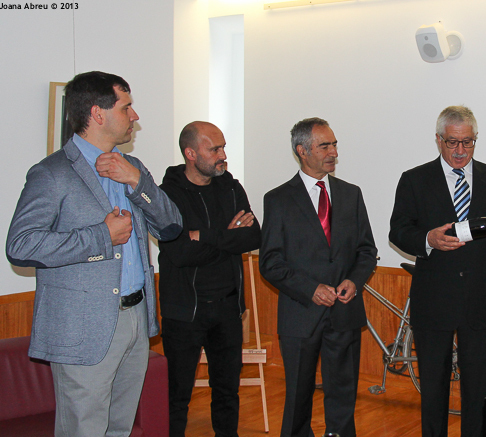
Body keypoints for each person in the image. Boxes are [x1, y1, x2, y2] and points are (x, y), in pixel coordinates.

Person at [5, 71, 182, 436]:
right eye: (126, 107)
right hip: (83, 326)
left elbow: (171, 226)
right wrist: (101, 236)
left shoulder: (133, 168)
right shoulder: (52, 173)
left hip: (136, 318)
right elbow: (21, 244)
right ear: (98, 113)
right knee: (83, 430)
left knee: (120, 428)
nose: (135, 116)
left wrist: (137, 182)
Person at [389, 105, 486, 437]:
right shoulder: (414, 179)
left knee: (479, 389)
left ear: (475, 139)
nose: (460, 150)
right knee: (433, 389)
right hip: (433, 298)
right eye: (452, 142)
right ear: (439, 140)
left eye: (467, 142)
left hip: (480, 297)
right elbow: (398, 231)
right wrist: (428, 239)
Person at [259, 117, 377, 437]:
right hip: (301, 314)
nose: (333, 152)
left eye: (334, 144)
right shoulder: (278, 199)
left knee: (343, 395)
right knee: (298, 397)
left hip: (344, 313)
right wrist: (310, 289)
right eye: (325, 146)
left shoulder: (351, 194)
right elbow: (270, 262)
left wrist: (355, 281)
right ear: (302, 150)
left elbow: (367, 250)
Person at [158, 121, 261, 437]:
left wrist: (202, 236)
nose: (223, 155)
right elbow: (179, 253)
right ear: (190, 154)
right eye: (214, 149)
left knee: (228, 391)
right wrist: (227, 236)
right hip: (185, 312)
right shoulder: (168, 195)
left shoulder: (231, 188)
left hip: (228, 308)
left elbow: (252, 237)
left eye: (223, 147)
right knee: (177, 396)